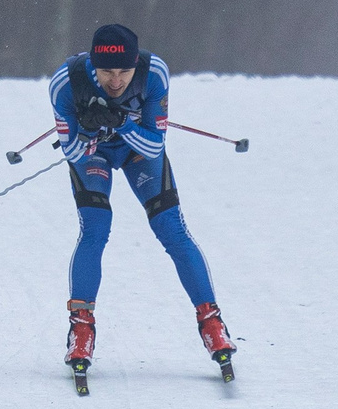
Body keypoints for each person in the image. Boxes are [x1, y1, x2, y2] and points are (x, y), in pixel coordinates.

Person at [47, 22, 233, 387]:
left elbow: (154, 146)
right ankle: (81, 329)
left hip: (138, 150)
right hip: (94, 154)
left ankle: (212, 323)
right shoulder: (66, 84)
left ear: (136, 66)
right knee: (95, 231)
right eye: (106, 72)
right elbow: (69, 152)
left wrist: (120, 123)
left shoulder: (154, 74)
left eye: (124, 72)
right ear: (92, 67)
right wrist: (87, 131)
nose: (116, 81)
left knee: (172, 230)